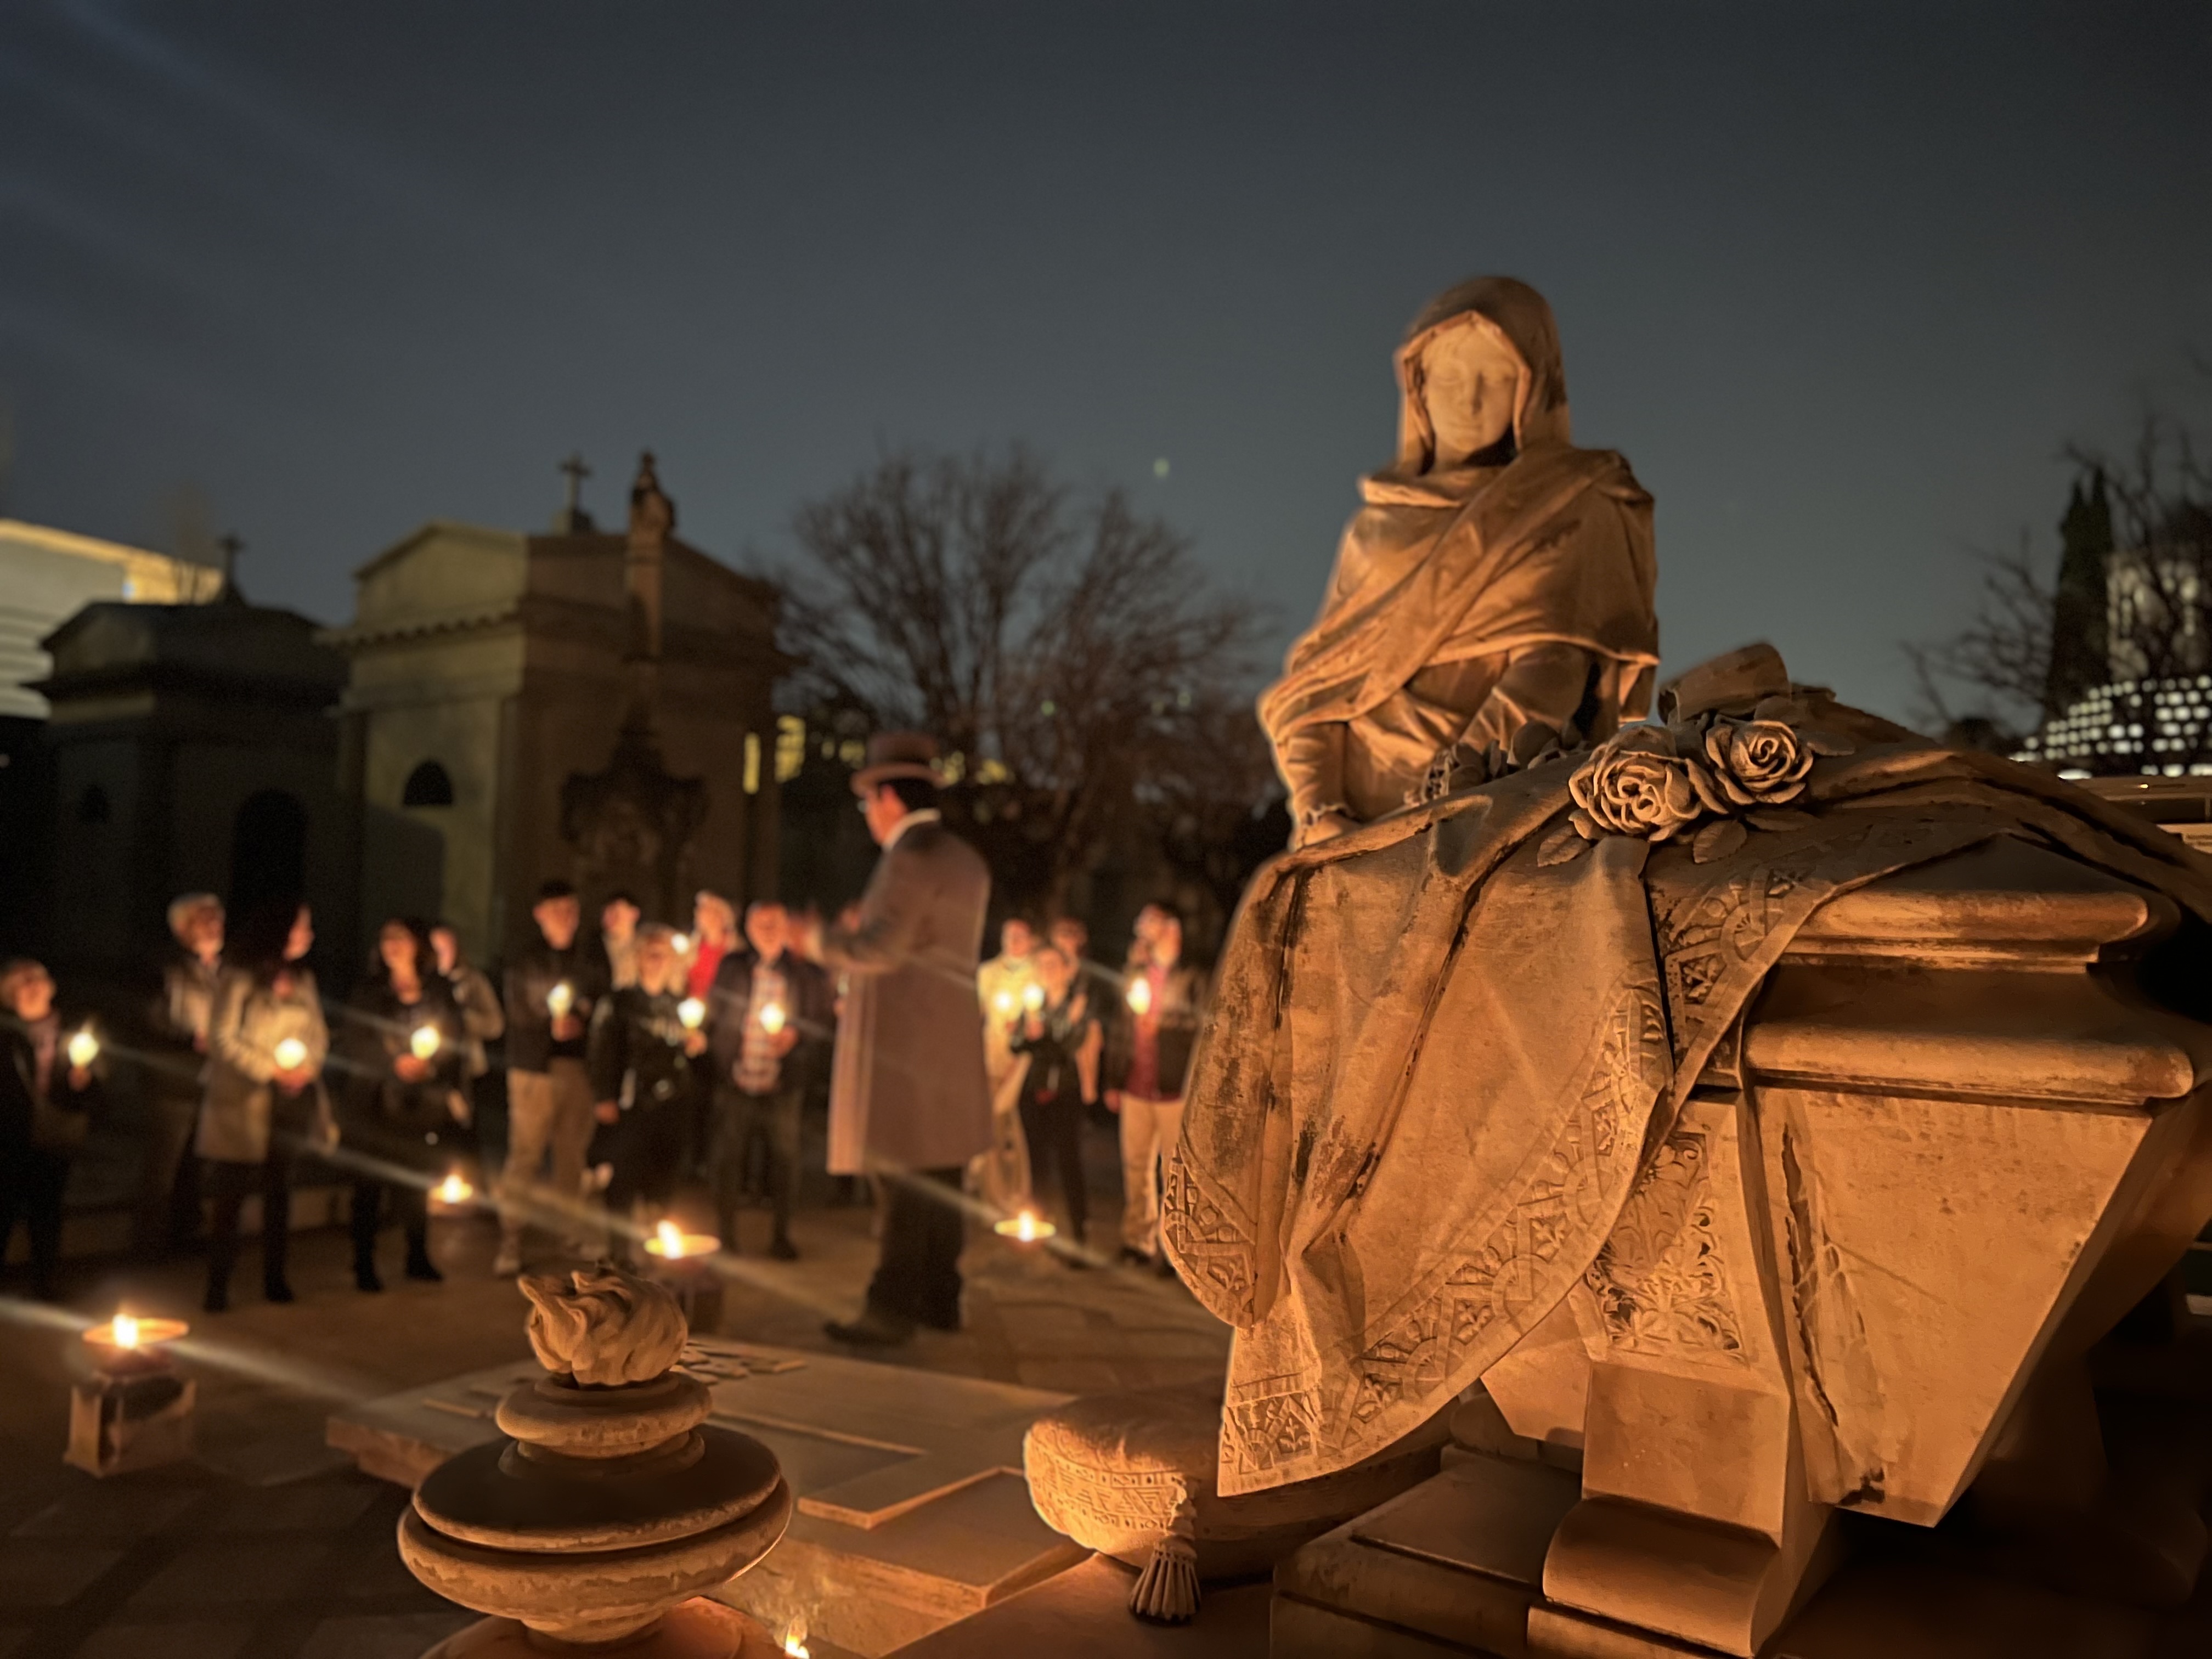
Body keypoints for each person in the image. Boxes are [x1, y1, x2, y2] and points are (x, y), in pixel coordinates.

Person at [1257, 276, 1658, 848]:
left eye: (1494, 378)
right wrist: (1319, 807)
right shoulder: (1372, 530)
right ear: (1417, 386)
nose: (1468, 401)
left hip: (1481, 816)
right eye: (1449, 377)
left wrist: (1447, 796)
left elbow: (1553, 667)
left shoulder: (1573, 504)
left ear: (1532, 386)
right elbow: (1316, 688)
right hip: (1343, 829)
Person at [798, 731, 992, 1347]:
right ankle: (941, 1297)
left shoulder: (909, 856)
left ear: (887, 796)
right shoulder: (965, 857)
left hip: (905, 1046)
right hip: (953, 1041)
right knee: (942, 1177)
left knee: (902, 1178)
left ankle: (890, 1308)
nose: (867, 816)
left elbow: (883, 948)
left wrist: (819, 942)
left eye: (867, 803)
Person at [197, 903, 333, 1312]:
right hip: (245, 1101)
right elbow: (222, 1039)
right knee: (232, 1195)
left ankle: (276, 1276)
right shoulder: (240, 978)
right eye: (302, 926)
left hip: (290, 1102)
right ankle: (218, 1283)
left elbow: (319, 1035)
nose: (309, 935)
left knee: (280, 1191)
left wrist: (305, 1068)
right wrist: (270, 1069)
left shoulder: (304, 980)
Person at [342, 918, 467, 1290]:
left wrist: (432, 1064)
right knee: (369, 1184)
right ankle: (364, 1262)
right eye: (385, 938)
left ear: (418, 944)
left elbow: (455, 1038)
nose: (391, 945)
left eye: (400, 937)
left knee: (415, 1181)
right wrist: (393, 1063)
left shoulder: (439, 991)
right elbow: (354, 1040)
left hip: (420, 1102)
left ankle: (417, 1255)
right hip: (376, 1101)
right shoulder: (369, 991)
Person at [706, 901, 833, 1260]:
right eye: (760, 924)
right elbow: (715, 1011)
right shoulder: (733, 967)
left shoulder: (806, 974)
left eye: (775, 923)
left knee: (785, 1160)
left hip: (783, 1084)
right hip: (737, 1079)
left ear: (787, 927)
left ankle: (782, 1236)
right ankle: (726, 1235)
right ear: (747, 928)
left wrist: (796, 1035)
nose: (767, 930)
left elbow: (822, 1022)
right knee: (728, 1158)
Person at [497, 879, 607, 1276]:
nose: (564, 918)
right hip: (533, 1068)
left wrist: (584, 1015)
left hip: (578, 1067)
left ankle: (569, 1233)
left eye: (571, 910)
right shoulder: (526, 958)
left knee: (571, 1155)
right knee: (525, 1153)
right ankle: (511, 1238)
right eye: (556, 910)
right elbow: (519, 1007)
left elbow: (602, 997)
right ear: (540, 914)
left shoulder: (592, 955)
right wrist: (550, 1022)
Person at [587, 924, 706, 1258]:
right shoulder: (619, 1002)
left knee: (663, 1176)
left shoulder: (678, 1006)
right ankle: (619, 1253)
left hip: (673, 1104)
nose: (656, 961)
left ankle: (652, 1241)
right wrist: (603, 1097)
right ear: (638, 958)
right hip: (632, 1101)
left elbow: (685, 1051)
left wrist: (695, 1044)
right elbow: (601, 1051)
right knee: (624, 1178)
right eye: (650, 953)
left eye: (662, 955)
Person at [1105, 901, 1210, 1271]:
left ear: (1171, 928)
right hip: (1136, 1084)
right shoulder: (1136, 972)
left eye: (1149, 921)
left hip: (1173, 1089)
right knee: (1136, 1165)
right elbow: (1119, 1028)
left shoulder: (1192, 977)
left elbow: (1203, 1026)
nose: (1142, 927)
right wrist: (1113, 1079)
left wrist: (1162, 1025)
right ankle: (1138, 1240)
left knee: (1174, 1172)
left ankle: (1174, 1250)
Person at [1, 959, 100, 1301]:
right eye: (20, 983)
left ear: (50, 986)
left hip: (56, 1132)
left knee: (47, 1208)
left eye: (36, 979)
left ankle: (45, 1281)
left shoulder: (75, 1029)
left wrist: (83, 1082)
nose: (30, 987)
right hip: (10, 1134)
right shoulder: (7, 1033)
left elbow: (98, 1081)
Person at [138, 891, 223, 1257]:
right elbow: (149, 1018)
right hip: (174, 1080)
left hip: (214, 1079)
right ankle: (150, 1241)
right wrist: (190, 1038)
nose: (214, 926)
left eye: (217, 918)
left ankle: (188, 1232)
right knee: (164, 1165)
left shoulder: (227, 968)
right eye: (204, 919)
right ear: (182, 927)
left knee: (199, 1163)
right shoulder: (164, 968)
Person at [1008, 944, 1101, 1252]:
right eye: (1042, 965)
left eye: (1053, 965)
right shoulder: (1033, 1004)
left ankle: (1079, 1230)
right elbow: (1017, 1044)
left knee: (1069, 1161)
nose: (1048, 971)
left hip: (1065, 1092)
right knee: (1037, 1162)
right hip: (1034, 1091)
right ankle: (1037, 1226)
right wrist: (1025, 1035)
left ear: (1066, 969)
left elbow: (1069, 1045)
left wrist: (1046, 1036)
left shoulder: (1078, 1005)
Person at [973, 916, 1039, 1214]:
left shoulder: (1037, 973)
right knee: (991, 1128)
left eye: (1020, 936)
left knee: (1017, 1130)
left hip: (1023, 1062)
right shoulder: (987, 973)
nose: (1013, 942)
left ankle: (1019, 1192)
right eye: (1008, 936)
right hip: (991, 1057)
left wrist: (1025, 1027)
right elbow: (977, 1015)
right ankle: (993, 1195)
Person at [687, 891, 737, 1000]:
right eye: (700, 908)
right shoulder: (691, 947)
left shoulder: (735, 948)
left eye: (708, 909)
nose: (700, 913)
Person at [599, 891, 642, 990]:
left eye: (615, 913)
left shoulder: (648, 943)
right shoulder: (595, 948)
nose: (607, 918)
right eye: (606, 913)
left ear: (634, 914)